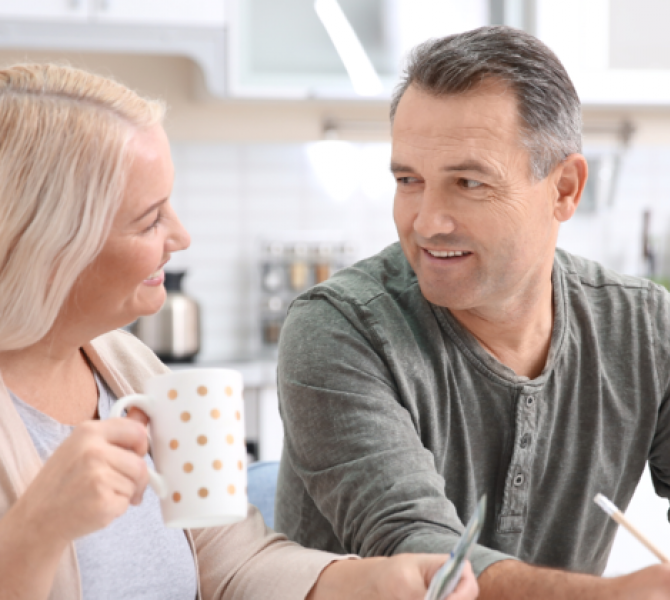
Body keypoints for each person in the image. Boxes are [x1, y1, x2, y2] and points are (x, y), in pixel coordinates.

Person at [274, 25, 670, 599]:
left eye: (468, 182)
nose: (427, 222)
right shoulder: (338, 328)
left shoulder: (644, 329)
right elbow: (422, 557)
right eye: (409, 180)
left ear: (564, 189)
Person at [0, 63, 479, 600]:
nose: (181, 235)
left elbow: (234, 563)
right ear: (50, 245)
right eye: (150, 219)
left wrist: (372, 581)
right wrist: (37, 529)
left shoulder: (130, 368)